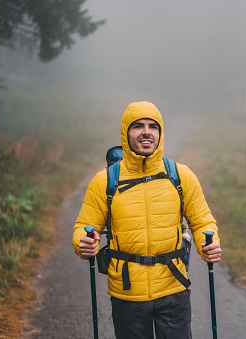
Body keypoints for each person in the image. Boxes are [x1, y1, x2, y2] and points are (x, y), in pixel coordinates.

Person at [72, 101, 221, 339]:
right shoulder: (104, 181)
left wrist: (208, 244)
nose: (146, 132)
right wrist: (83, 242)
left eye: (153, 126)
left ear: (160, 134)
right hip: (127, 293)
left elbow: (203, 222)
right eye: (138, 126)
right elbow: (83, 227)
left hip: (174, 288)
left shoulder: (181, 176)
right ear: (125, 133)